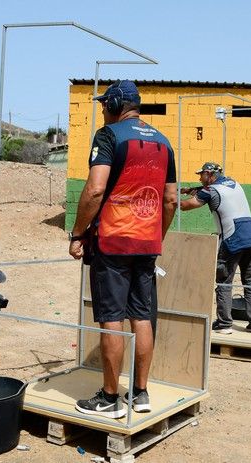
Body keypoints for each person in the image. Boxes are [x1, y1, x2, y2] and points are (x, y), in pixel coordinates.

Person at [68, 80, 177, 419]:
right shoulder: (164, 142)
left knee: (112, 318)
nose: (102, 110)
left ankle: (111, 397)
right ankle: (140, 393)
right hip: (147, 244)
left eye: (104, 105)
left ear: (116, 104)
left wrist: (77, 232)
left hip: (112, 242)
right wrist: (155, 234)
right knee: (141, 317)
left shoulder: (108, 136)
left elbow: (95, 190)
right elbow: (171, 199)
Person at [180, 162, 251, 335]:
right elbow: (217, 190)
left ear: (210, 175)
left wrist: (169, 200)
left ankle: (224, 324)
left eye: (201, 174)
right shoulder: (234, 183)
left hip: (232, 238)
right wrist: (191, 189)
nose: (199, 177)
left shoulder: (210, 190)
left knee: (224, 282)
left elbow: (187, 206)